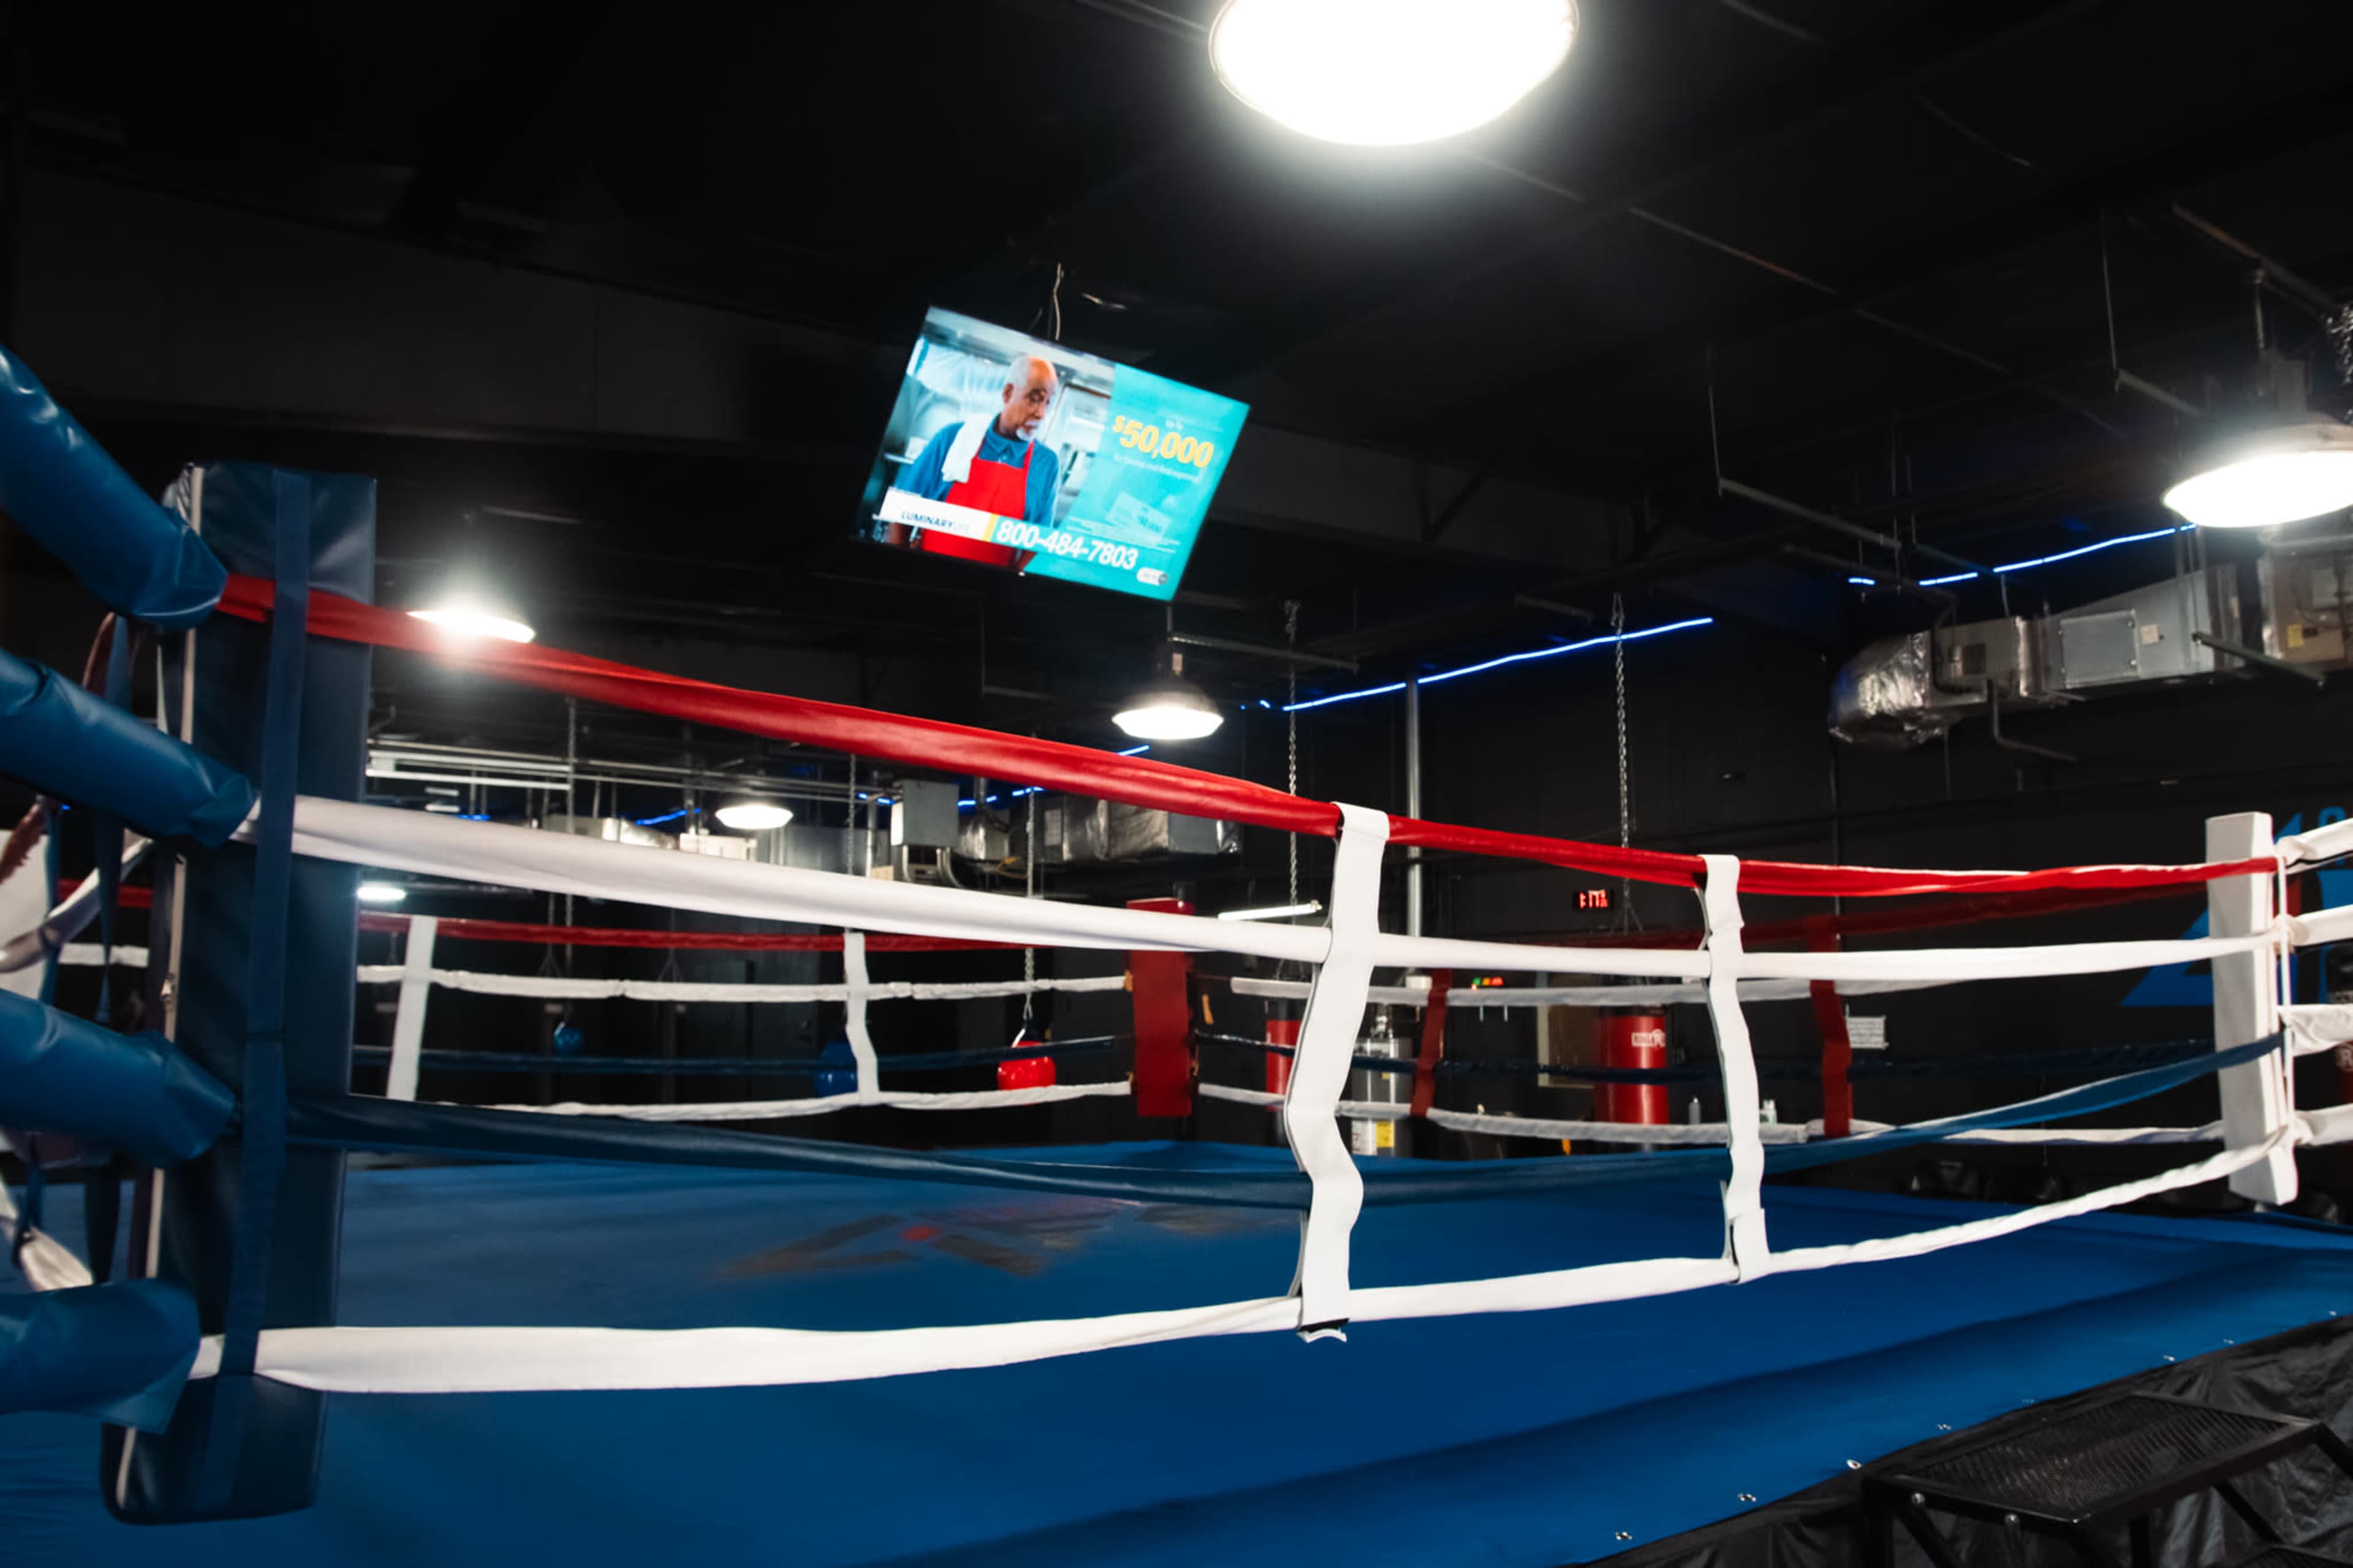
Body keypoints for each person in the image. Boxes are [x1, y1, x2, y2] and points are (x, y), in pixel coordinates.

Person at [890, 355, 1063, 567]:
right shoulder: (952, 439)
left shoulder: (1046, 464)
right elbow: (902, 509)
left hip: (991, 593)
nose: (1041, 413)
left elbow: (1038, 544)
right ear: (1008, 393)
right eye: (1035, 399)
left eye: (1048, 402)